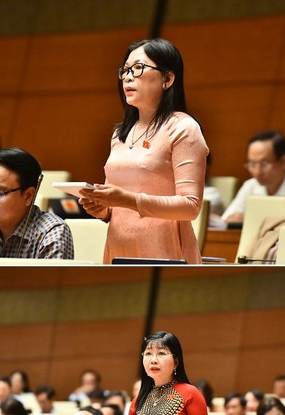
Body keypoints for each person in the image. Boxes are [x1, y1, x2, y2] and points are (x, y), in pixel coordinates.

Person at [78, 38, 208, 264]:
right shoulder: (120, 132)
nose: (128, 76)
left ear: (167, 79)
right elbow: (115, 206)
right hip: (117, 250)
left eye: (138, 68)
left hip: (166, 254)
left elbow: (190, 206)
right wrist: (101, 208)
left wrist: (128, 200)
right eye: (125, 70)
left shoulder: (183, 128)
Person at [222, 130, 285, 223]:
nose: (257, 172)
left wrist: (250, 219)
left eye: (264, 164)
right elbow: (227, 220)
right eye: (252, 164)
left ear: (284, 161)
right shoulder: (250, 185)